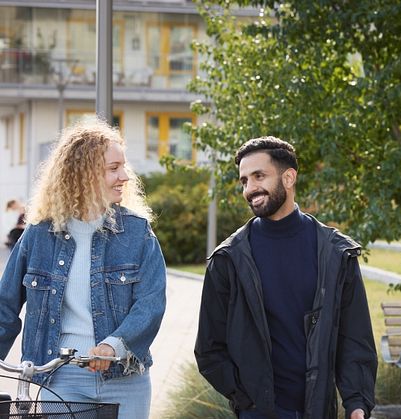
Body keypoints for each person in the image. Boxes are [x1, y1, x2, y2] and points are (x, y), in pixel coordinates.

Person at [195, 136, 377, 419]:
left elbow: (355, 336)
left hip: (318, 410)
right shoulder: (228, 259)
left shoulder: (336, 253)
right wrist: (246, 397)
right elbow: (209, 348)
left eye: (259, 176)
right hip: (257, 412)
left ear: (289, 177)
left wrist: (357, 402)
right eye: (244, 180)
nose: (250, 188)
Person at [0, 119, 167, 419]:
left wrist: (112, 345)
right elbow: (5, 306)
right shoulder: (38, 234)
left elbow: (151, 304)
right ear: (82, 174)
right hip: (62, 380)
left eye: (123, 166)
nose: (125, 176)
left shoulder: (137, 233)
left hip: (126, 380)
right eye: (113, 168)